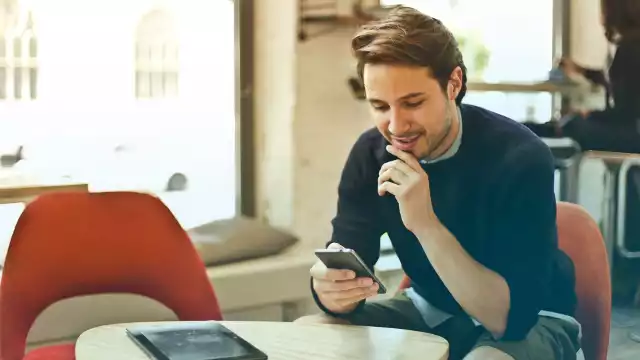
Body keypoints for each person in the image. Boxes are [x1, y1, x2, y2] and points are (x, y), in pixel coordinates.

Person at [295, 6, 580, 360]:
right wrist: (329, 291)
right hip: (430, 309)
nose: (397, 126)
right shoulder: (370, 155)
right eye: (380, 106)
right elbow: (346, 259)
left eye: (412, 103)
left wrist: (426, 224)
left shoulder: (519, 156)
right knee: (309, 336)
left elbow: (507, 321)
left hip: (533, 319)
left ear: (454, 84)